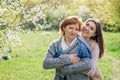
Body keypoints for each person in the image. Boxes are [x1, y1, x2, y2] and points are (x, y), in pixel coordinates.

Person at [42, 16, 92, 80]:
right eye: (71, 28)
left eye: (76, 29)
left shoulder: (82, 45)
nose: (73, 32)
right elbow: (46, 63)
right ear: (64, 28)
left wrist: (64, 69)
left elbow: (87, 65)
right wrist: (68, 59)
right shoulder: (55, 44)